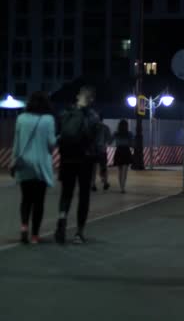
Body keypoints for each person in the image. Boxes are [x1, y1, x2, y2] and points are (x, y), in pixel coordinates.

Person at [54, 85, 100, 244]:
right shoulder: (93, 116)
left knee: (66, 193)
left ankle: (62, 218)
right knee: (84, 196)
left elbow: (60, 135)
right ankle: (79, 233)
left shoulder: (66, 113)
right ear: (91, 99)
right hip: (85, 161)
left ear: (77, 96)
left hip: (67, 159)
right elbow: (95, 141)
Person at [10, 91, 56, 244]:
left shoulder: (21, 118)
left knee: (26, 199)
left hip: (24, 164)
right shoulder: (48, 120)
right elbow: (51, 145)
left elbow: (16, 144)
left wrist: (13, 161)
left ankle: (24, 227)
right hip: (41, 166)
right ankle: (35, 235)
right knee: (39, 201)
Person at [91, 114, 112, 192]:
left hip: (93, 150)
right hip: (102, 150)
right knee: (103, 167)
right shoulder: (105, 127)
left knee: (93, 168)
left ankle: (93, 184)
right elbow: (109, 140)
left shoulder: (92, 127)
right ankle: (105, 182)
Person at [113, 119, 134, 194]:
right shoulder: (129, 134)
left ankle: (121, 187)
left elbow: (110, 141)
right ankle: (123, 187)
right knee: (125, 171)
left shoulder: (116, 133)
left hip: (118, 151)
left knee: (120, 171)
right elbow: (132, 143)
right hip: (126, 151)